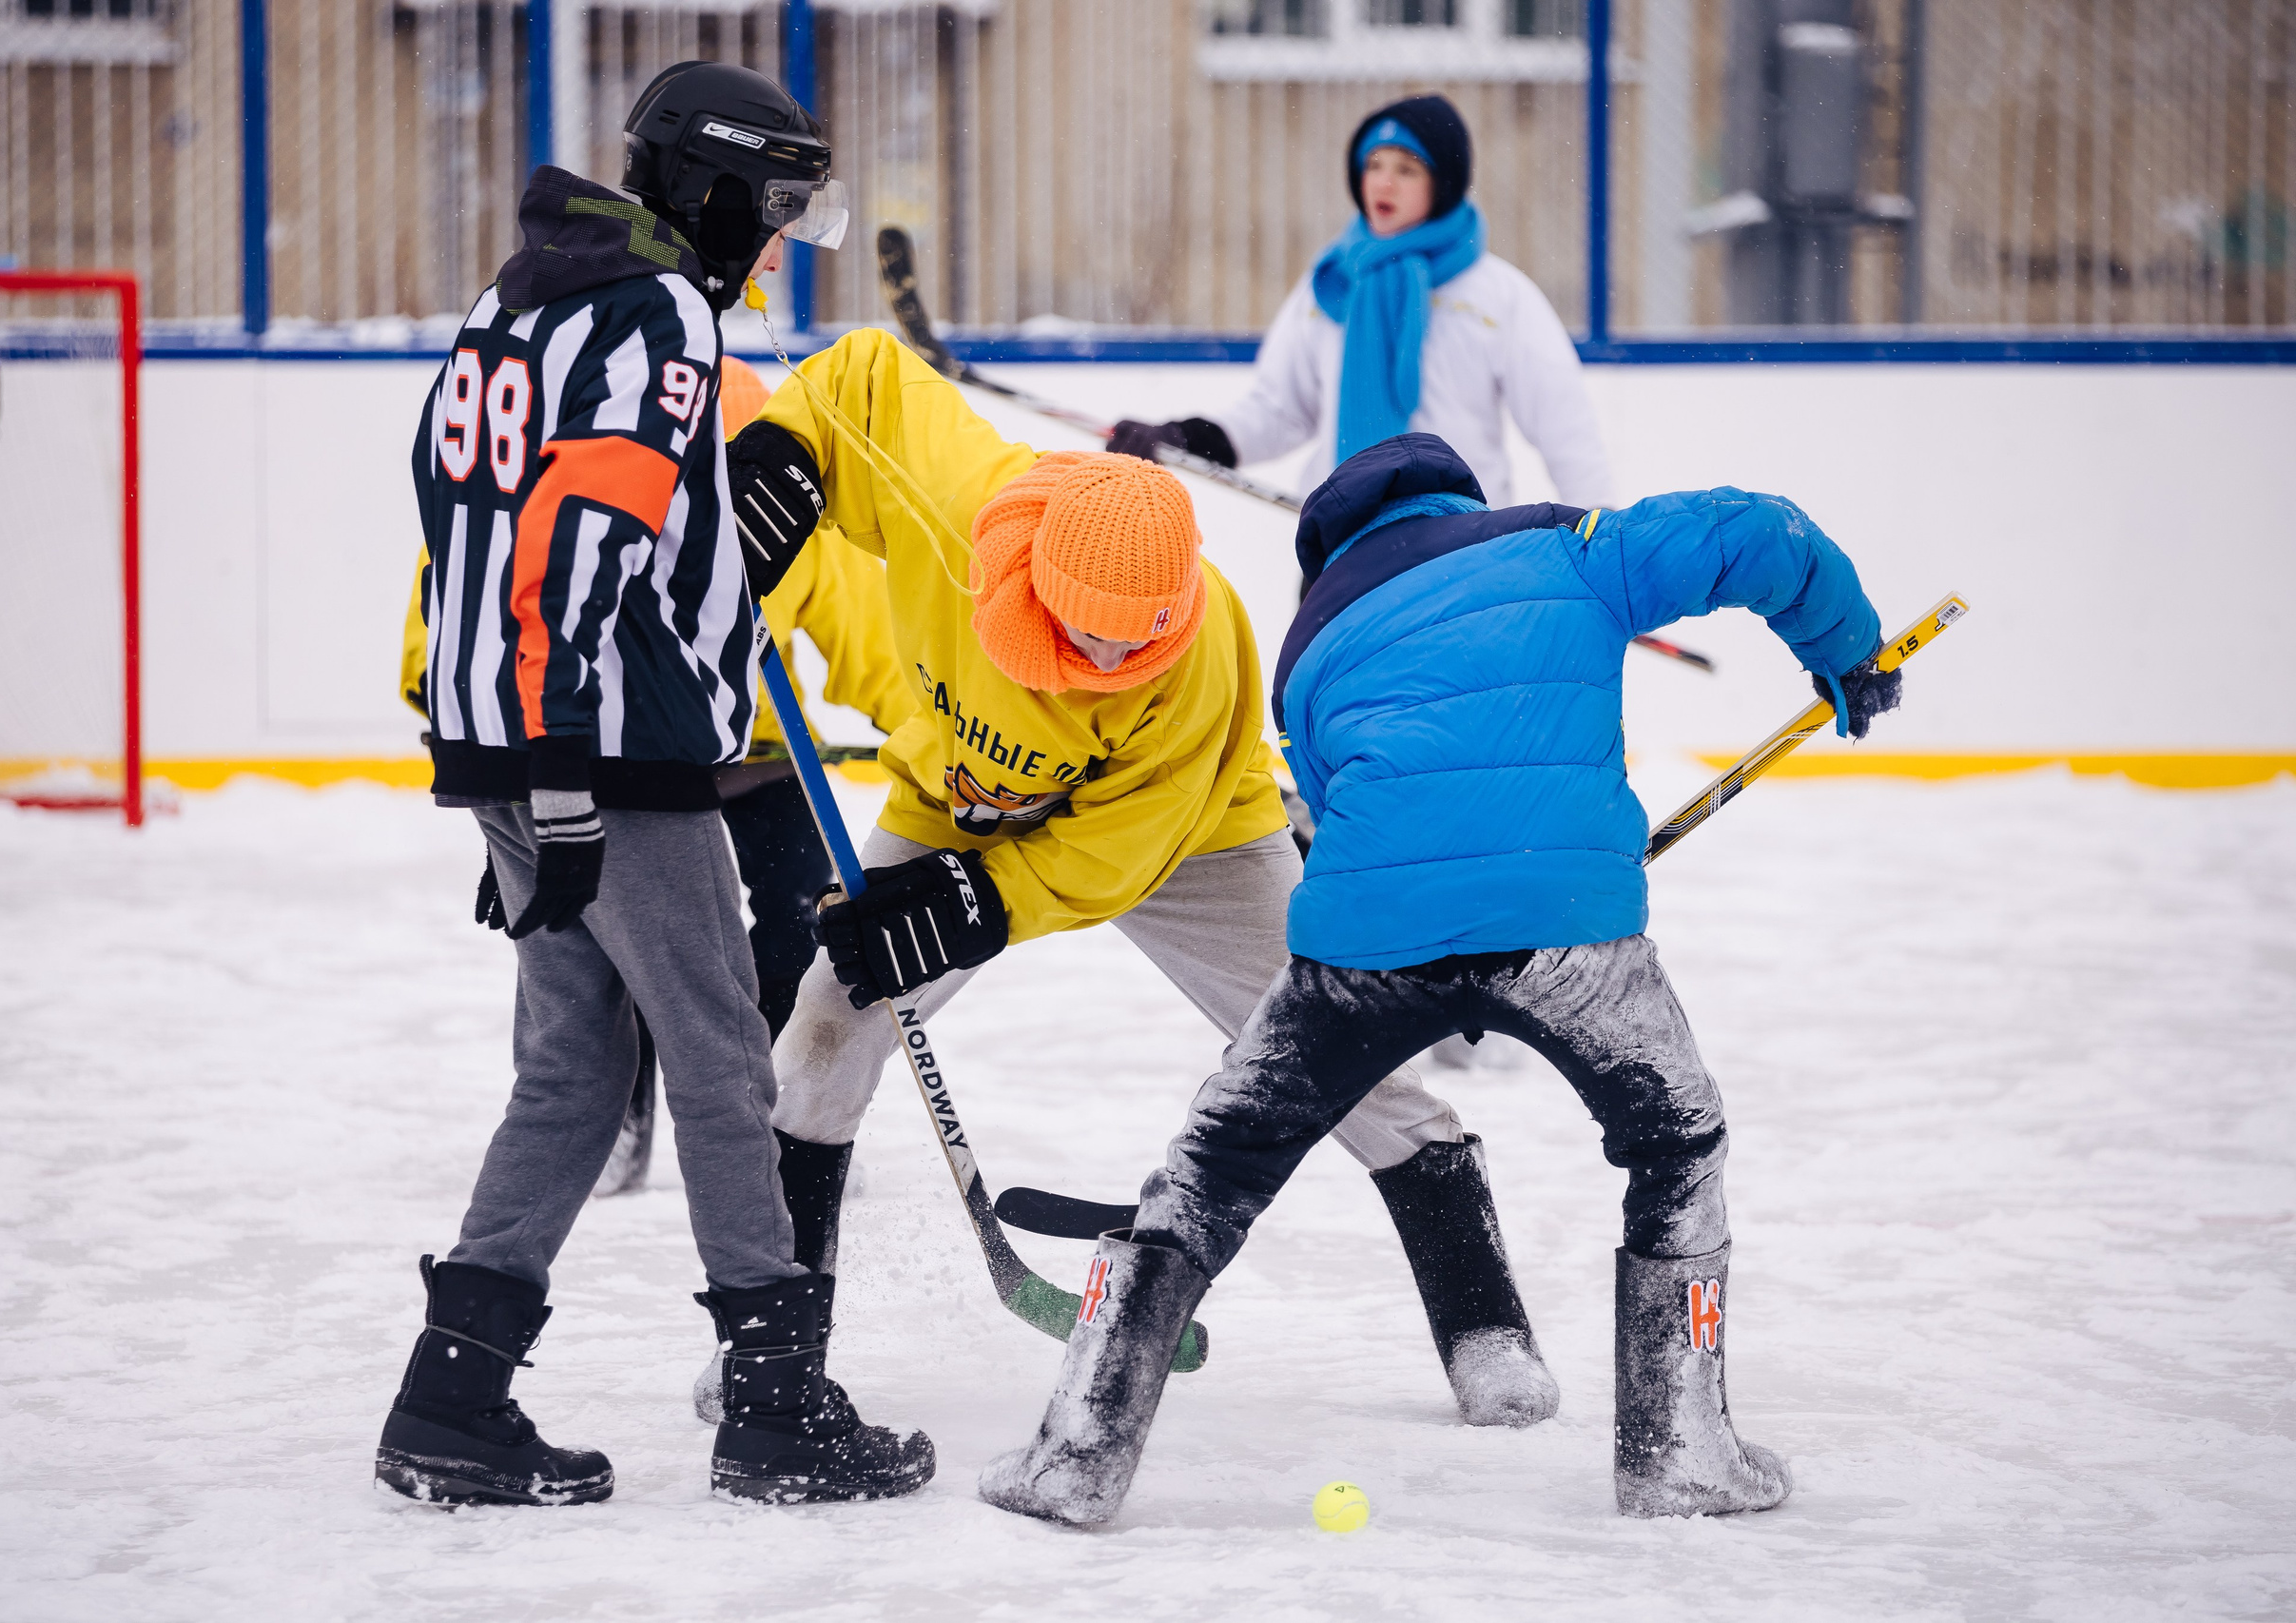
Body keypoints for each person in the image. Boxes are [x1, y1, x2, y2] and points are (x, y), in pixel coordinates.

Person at [977, 432, 1904, 1528]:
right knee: (1675, 1143)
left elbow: (1333, 797)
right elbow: (1757, 531)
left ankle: (1078, 1452)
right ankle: (1679, 1447)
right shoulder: (1568, 549)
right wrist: (1847, 649)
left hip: (1365, 945)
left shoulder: (1309, 645)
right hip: (1567, 930)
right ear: (1460, 500)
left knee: (1215, 1161)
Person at [692, 330, 1561, 1436]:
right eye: (1086, 637)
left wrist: (978, 907)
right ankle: (771, 1345)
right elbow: (860, 372)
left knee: (1337, 1041)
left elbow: (1118, 851)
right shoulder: (959, 506)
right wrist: (781, 455)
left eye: (1132, 643)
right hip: (957, 798)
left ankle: (1485, 1321)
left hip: (1190, 837)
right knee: (821, 1029)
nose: (1107, 665)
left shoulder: (1204, 649)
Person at [377, 60, 933, 1510]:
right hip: (607, 756)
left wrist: (521, 732)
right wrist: (566, 753)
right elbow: (579, 528)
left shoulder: (519, 294)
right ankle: (776, 1400)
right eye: (779, 201)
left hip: (505, 735)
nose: (778, 235)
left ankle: (450, 1396)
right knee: (716, 1058)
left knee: (571, 1067)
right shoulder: (663, 313)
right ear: (720, 189)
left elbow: (457, 498)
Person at [399, 355, 918, 1198]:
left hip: (749, 747)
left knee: (800, 924)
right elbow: (460, 621)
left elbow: (876, 649)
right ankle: (618, 1108)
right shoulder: (579, 512)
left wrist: (949, 755)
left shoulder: (788, 522)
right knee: (621, 944)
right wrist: (506, 776)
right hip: (620, 760)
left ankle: (782, 1114)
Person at [1107, 94, 1613, 512]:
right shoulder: (1330, 283)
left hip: (1461, 550)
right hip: (1343, 545)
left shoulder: (1495, 295)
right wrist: (1186, 437)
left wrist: (1598, 537)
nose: (1383, 182)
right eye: (1373, 164)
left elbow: (1564, 424)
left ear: (1444, 183)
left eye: (1407, 169)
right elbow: (1280, 409)